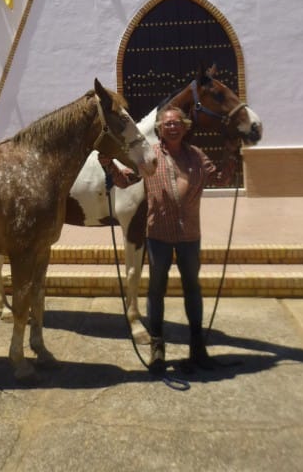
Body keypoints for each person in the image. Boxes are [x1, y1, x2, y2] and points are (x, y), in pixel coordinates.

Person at [98, 104, 239, 375]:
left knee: (193, 290)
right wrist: (109, 167)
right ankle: (158, 349)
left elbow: (221, 178)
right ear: (160, 130)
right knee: (155, 291)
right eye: (167, 124)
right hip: (159, 235)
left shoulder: (197, 156)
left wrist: (232, 152)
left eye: (176, 123)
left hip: (189, 236)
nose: (172, 127)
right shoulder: (150, 157)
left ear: (184, 127)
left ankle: (198, 349)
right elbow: (126, 180)